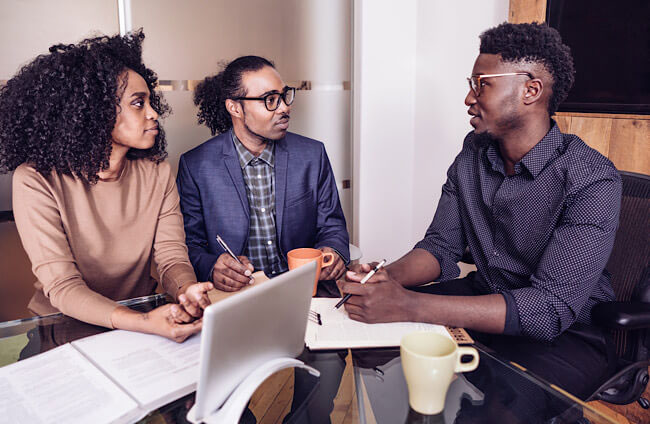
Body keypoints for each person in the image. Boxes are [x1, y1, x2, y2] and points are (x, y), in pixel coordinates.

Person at [339, 22, 621, 417]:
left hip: (567, 337)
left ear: (531, 90)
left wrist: (407, 305)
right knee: (368, 337)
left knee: (497, 413)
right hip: (484, 300)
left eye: (481, 84)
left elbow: (548, 309)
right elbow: (439, 248)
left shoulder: (591, 177)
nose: (469, 98)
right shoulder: (473, 153)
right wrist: (384, 280)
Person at [0, 30, 213, 343]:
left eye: (149, 102)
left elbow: (172, 258)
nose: (154, 114)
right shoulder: (36, 179)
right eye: (138, 104)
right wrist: (142, 322)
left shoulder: (157, 172)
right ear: (93, 114)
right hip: (65, 327)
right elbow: (63, 286)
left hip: (143, 316)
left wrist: (186, 291)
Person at [176, 56, 350, 423]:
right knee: (215, 401)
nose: (284, 107)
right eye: (269, 99)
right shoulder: (197, 165)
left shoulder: (311, 155)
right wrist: (212, 265)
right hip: (236, 303)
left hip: (303, 298)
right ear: (235, 107)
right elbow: (187, 246)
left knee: (328, 368)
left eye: (284, 95)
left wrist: (332, 252)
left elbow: (332, 224)